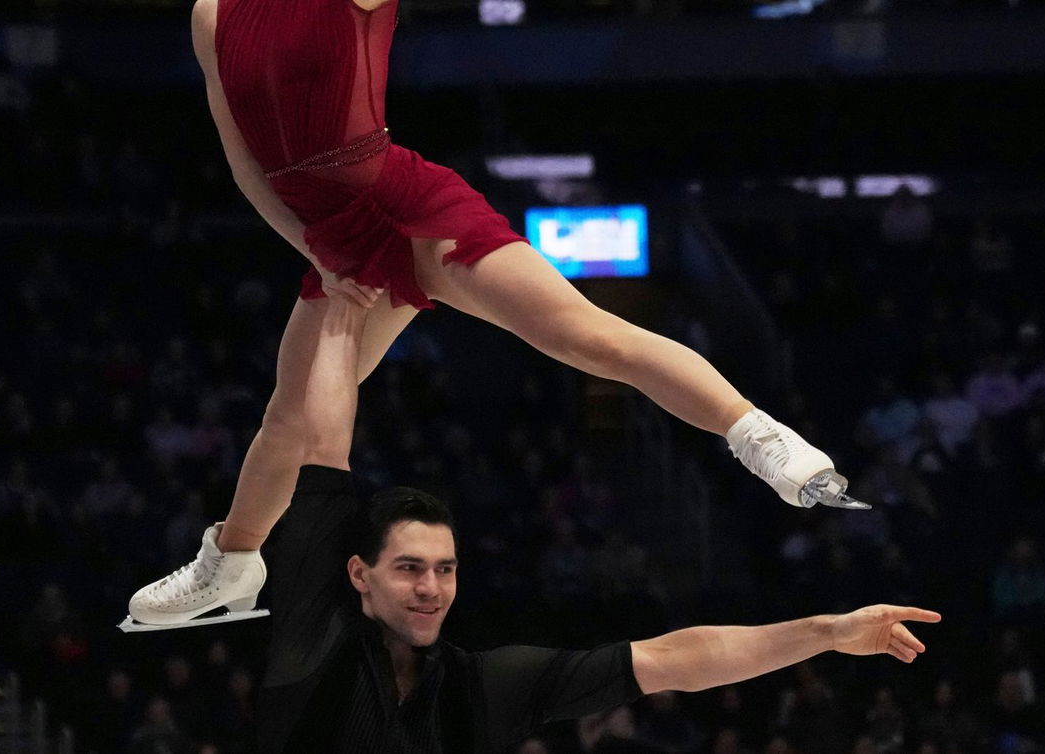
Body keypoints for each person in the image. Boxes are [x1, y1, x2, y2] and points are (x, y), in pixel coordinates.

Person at [127, 0, 860, 628]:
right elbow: (245, 160)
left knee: (580, 335)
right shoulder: (214, 12)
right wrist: (318, 252)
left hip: (406, 199)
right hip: (331, 237)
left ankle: (763, 439)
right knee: (290, 417)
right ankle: (230, 569)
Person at [248, 312, 938, 752]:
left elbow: (677, 660)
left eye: (445, 568)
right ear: (359, 574)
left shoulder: (481, 689)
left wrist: (827, 632)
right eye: (408, 568)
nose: (431, 587)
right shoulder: (312, 642)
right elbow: (322, 447)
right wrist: (338, 301)